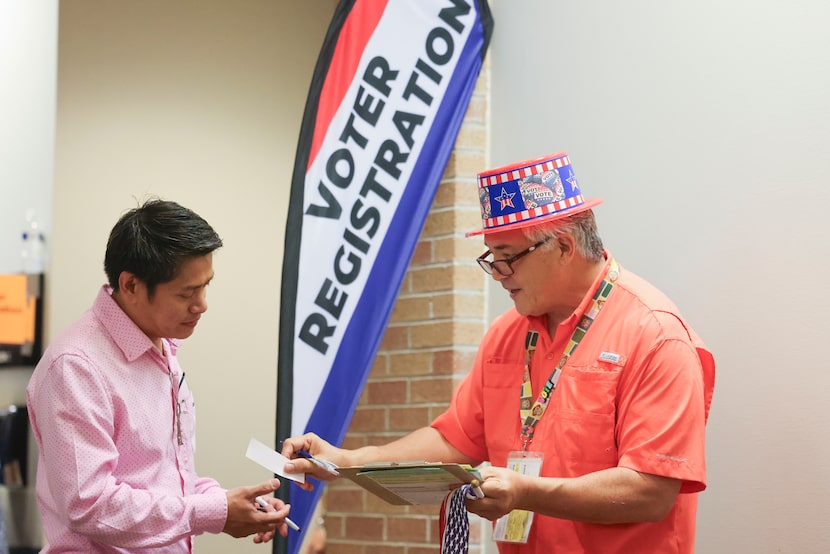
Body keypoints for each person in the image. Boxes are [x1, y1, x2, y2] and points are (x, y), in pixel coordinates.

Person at [281, 152, 716, 553]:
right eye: (491, 257)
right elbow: (456, 441)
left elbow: (652, 491)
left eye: (507, 257)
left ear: (563, 246)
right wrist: (347, 461)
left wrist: (527, 492)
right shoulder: (506, 333)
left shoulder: (656, 336)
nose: (498, 274)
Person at [27, 199, 291, 552]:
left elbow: (164, 478)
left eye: (205, 286)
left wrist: (231, 504)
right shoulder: (76, 367)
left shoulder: (161, 348)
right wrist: (215, 513)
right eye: (187, 292)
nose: (202, 305)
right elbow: (90, 505)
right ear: (132, 285)